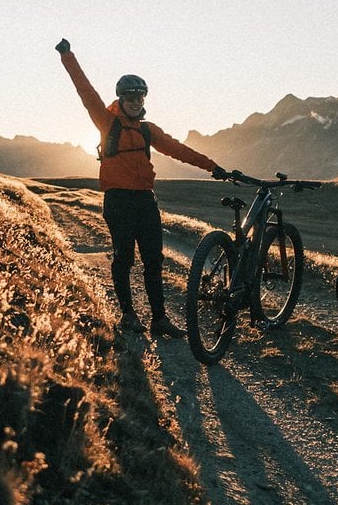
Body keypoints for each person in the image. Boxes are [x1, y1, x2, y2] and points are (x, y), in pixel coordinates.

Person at [55, 38, 227, 337]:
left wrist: (212, 166)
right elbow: (86, 91)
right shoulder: (107, 122)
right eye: (130, 97)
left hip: (146, 201)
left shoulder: (148, 130)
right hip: (118, 200)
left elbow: (178, 149)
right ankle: (128, 315)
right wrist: (68, 56)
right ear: (120, 99)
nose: (136, 102)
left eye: (140, 98)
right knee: (124, 257)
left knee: (153, 260)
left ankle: (159, 319)